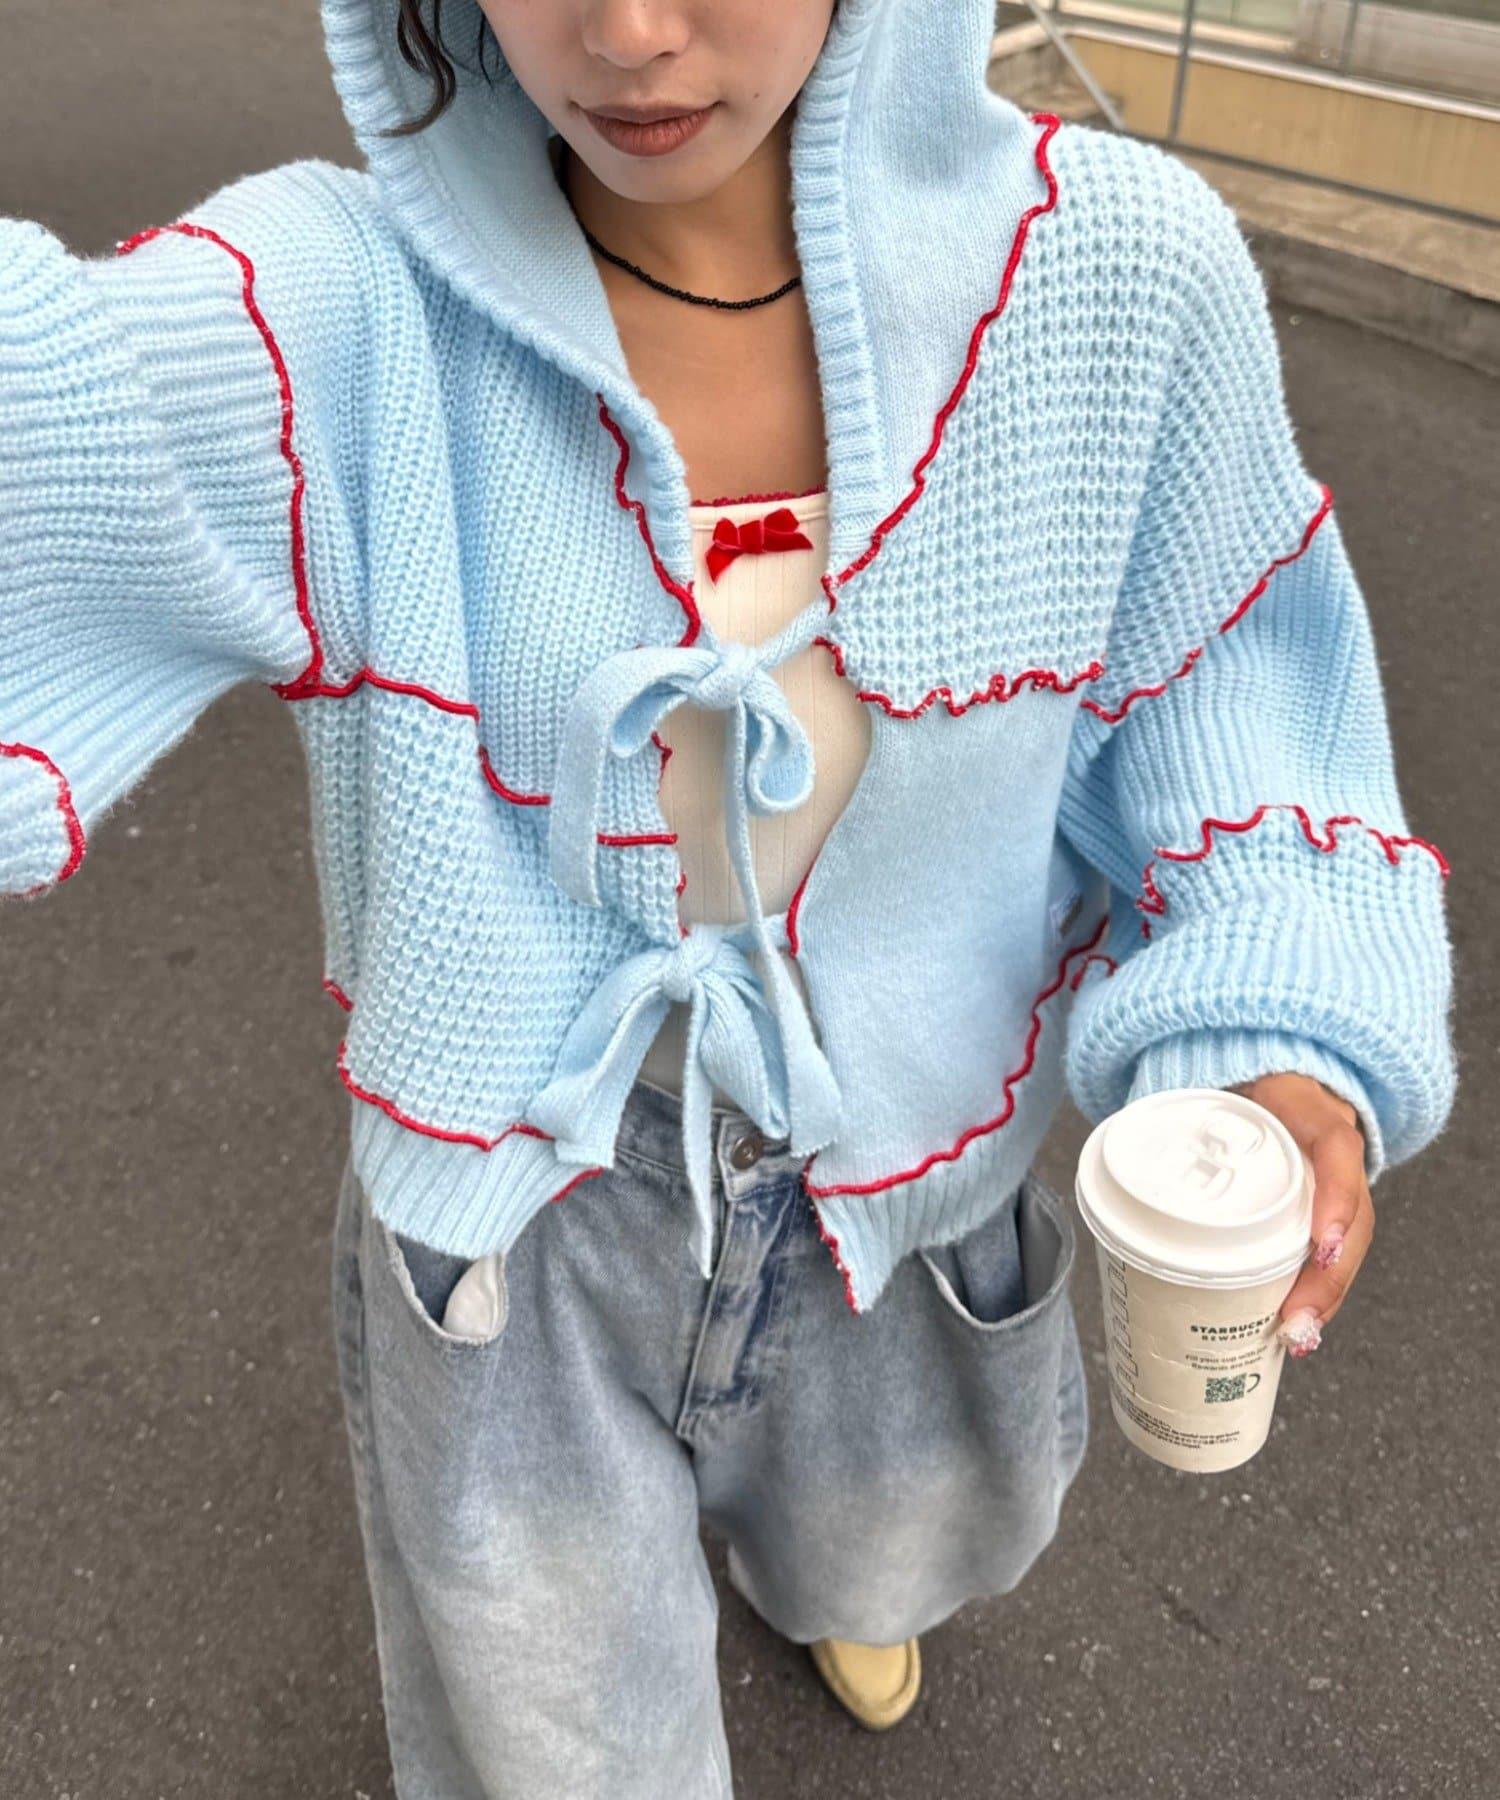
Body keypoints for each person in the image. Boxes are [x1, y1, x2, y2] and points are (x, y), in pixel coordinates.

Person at [0, 0, 1458, 1794]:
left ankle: (843, 1572)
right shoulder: (340, 310)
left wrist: (1278, 1032)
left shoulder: (1117, 279)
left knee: (900, 1540)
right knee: (563, 1747)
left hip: (921, 1170)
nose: (628, 34)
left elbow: (1232, 697)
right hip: (521, 1221)